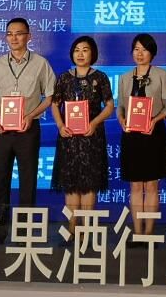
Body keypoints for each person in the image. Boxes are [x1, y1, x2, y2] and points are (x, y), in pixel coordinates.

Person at [0, 17, 55, 242]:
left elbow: (49, 97)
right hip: (1, 129)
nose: (14, 38)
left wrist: (31, 116)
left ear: (28, 36)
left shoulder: (40, 63)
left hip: (28, 129)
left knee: (28, 180)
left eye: (19, 33)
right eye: (10, 34)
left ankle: (24, 230)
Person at [51, 35, 114, 235]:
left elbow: (110, 106)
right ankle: (72, 228)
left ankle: (86, 230)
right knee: (71, 185)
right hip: (69, 137)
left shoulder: (100, 77)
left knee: (89, 184)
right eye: (77, 50)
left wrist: (94, 123)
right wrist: (60, 125)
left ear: (92, 53)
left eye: (85, 50)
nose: (80, 54)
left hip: (91, 137)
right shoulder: (64, 78)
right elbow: (55, 104)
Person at [117, 33, 166, 243]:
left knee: (151, 185)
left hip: (153, 133)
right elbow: (120, 106)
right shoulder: (124, 77)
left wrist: (155, 120)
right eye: (136, 49)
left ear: (152, 53)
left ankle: (149, 233)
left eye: (144, 49)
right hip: (131, 135)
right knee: (135, 186)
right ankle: (137, 232)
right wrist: (121, 119)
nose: (139, 54)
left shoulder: (161, 75)